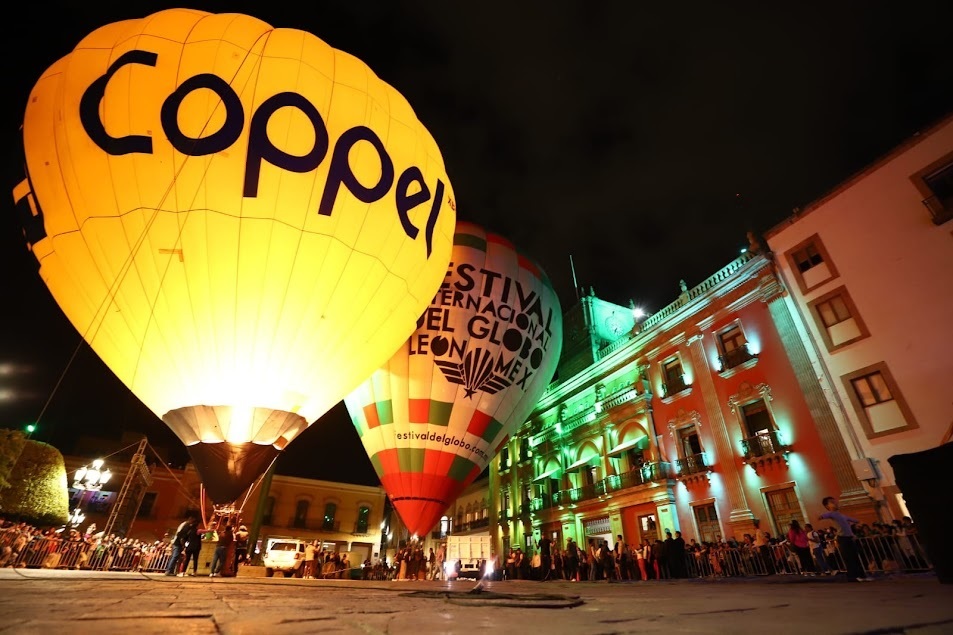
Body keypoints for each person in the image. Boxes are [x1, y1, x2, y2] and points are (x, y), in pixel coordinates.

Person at [819, 496, 872, 582]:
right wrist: (820, 517)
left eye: (835, 501)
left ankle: (861, 575)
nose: (835, 503)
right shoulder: (832, 514)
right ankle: (853, 576)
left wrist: (859, 524)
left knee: (855, 557)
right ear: (827, 506)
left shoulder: (842, 515)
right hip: (843, 539)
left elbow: (856, 521)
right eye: (832, 502)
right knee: (849, 558)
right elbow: (824, 515)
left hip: (849, 538)